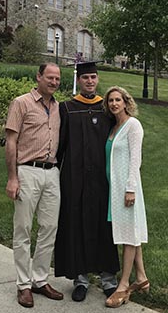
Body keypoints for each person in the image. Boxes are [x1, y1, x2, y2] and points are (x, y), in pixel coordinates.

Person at [54, 61, 120, 301]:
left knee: (105, 227)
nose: (90, 81)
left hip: (102, 180)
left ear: (97, 78)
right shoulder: (68, 108)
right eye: (85, 78)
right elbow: (60, 145)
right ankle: (80, 279)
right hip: (75, 179)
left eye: (93, 77)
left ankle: (108, 280)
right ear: (79, 80)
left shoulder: (107, 109)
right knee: (77, 225)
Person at [5, 63, 64, 308]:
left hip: (52, 173)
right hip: (27, 171)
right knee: (23, 229)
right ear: (38, 77)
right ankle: (23, 284)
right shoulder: (21, 103)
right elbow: (10, 140)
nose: (54, 82)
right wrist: (12, 177)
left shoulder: (59, 107)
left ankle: (40, 280)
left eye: (58, 78)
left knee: (49, 228)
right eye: (50, 77)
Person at [103, 86, 149, 308]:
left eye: (117, 100)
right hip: (113, 188)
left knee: (127, 237)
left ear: (125, 102)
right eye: (110, 100)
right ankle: (141, 277)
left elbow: (135, 160)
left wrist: (130, 188)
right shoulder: (114, 127)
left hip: (126, 189)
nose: (114, 104)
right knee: (130, 233)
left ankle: (123, 285)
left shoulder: (133, 125)